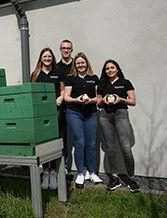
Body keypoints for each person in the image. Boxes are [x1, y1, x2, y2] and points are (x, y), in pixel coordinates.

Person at [97, 59, 139, 192]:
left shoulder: (125, 83)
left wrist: (121, 100)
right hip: (105, 116)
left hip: (121, 114)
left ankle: (131, 178)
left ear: (117, 69)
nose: (110, 70)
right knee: (110, 148)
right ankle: (114, 178)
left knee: (126, 148)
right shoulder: (102, 84)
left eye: (112, 68)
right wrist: (102, 100)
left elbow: (133, 102)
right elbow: (98, 102)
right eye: (107, 68)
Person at [64, 52, 103, 188]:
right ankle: (80, 173)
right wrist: (77, 100)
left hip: (90, 113)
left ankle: (92, 172)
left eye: (83, 62)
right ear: (75, 65)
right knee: (80, 142)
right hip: (74, 113)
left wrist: (91, 100)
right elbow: (66, 97)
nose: (80, 65)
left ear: (87, 63)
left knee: (92, 144)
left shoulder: (94, 78)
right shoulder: (70, 78)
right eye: (78, 63)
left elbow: (99, 98)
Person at [30, 47, 64, 190]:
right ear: (41, 58)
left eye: (49, 56)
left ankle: (54, 172)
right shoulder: (35, 74)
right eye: (45, 56)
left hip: (55, 110)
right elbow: (31, 92)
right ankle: (45, 172)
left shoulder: (58, 73)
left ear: (53, 58)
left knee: (54, 140)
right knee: (44, 141)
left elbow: (62, 89)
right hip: (41, 113)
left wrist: (61, 97)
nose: (47, 58)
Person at [55, 39, 75, 175]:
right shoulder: (56, 67)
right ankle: (64, 166)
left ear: (71, 50)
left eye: (68, 48)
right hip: (62, 107)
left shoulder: (78, 64)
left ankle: (83, 168)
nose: (66, 50)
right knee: (63, 138)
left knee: (79, 138)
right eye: (64, 48)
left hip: (77, 107)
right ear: (60, 50)